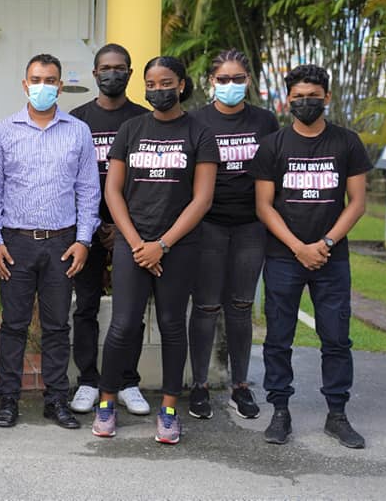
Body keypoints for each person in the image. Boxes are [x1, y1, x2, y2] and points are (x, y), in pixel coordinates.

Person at [91, 56, 218, 445]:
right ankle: (107, 401)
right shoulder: (131, 129)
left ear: (181, 85)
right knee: (124, 325)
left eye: (166, 83)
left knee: (172, 324)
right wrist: (136, 244)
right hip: (134, 244)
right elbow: (113, 190)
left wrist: (162, 245)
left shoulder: (199, 132)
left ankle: (167, 409)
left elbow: (203, 198)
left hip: (177, 246)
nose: (157, 90)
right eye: (151, 83)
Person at [248, 64, 371, 449]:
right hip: (285, 257)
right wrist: (299, 247)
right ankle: (280, 412)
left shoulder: (346, 142)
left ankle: (337, 414)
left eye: (313, 97)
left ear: (327, 98)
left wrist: (326, 244)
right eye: (298, 97)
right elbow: (264, 206)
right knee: (279, 338)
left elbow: (358, 203)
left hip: (331, 258)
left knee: (335, 337)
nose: (305, 103)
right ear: (288, 100)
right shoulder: (273, 145)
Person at [0, 53, 100, 429]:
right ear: (24, 84)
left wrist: (83, 240)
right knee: (13, 325)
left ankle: (56, 400)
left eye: (50, 80)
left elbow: (88, 189)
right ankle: (8, 399)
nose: (43, 87)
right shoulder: (3, 131)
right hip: (16, 243)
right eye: (36, 79)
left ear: (60, 86)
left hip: (62, 243)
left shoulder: (78, 131)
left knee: (57, 326)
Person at [187, 49, 279, 420]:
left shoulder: (265, 121)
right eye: (223, 79)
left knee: (241, 307)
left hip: (250, 227)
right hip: (207, 226)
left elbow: (274, 174)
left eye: (237, 78)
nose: (230, 85)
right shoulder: (196, 121)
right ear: (211, 81)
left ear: (249, 81)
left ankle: (240, 385)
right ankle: (199, 386)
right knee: (206, 307)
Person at [68, 43, 151, 416]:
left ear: (130, 74)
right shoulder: (76, 119)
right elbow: (65, 178)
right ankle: (87, 379)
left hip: (132, 231)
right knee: (84, 306)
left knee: (130, 310)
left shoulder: (145, 120)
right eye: (105, 67)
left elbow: (151, 182)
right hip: (85, 230)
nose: (112, 73)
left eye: (119, 67)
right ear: (94, 73)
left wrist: (124, 228)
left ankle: (127, 380)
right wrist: (88, 227)